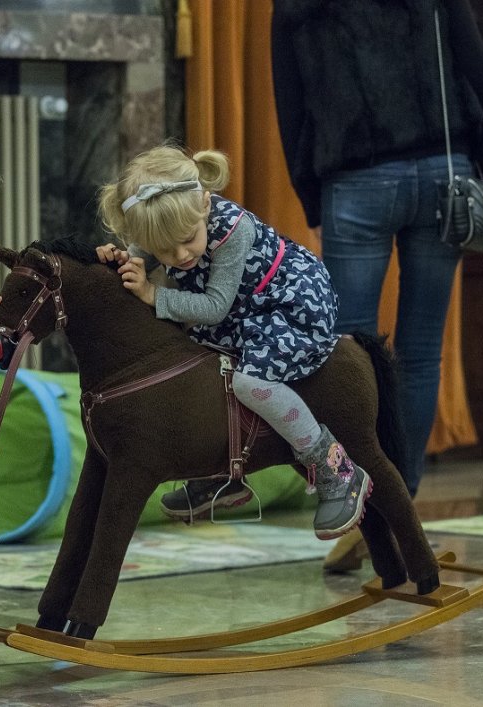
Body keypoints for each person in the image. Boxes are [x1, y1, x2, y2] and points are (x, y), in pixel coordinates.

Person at [271, 0, 483, 568]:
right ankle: (403, 507)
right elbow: (476, 70)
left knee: (350, 357)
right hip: (444, 174)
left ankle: (365, 510)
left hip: (355, 179)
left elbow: (291, 101)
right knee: (421, 353)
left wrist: (310, 194)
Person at [95, 144, 372, 540]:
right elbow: (142, 259)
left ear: (205, 204)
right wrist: (121, 260)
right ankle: (223, 474)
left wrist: (154, 294)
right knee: (197, 371)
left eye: (188, 239)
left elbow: (213, 307)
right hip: (243, 312)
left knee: (250, 382)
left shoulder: (232, 231)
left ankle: (335, 469)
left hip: (287, 302)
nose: (180, 255)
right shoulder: (168, 229)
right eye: (163, 249)